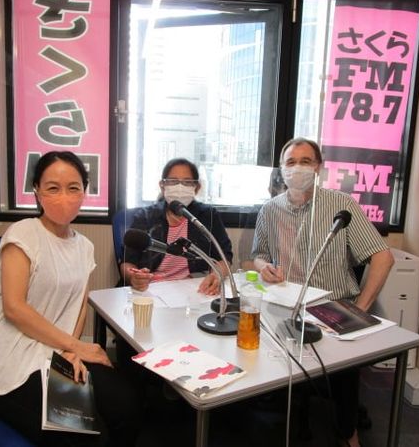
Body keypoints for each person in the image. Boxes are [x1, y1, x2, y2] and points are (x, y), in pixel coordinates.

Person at [0, 151, 141, 447]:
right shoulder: (23, 234)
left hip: (57, 347)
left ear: (84, 192)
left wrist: (71, 350)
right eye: (53, 188)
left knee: (126, 404)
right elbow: (14, 309)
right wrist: (76, 346)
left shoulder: (84, 246)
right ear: (37, 192)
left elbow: (78, 305)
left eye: (73, 188)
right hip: (9, 357)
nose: (64, 197)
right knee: (89, 436)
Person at [251, 137, 394, 447]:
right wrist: (264, 267)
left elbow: (383, 258)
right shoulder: (270, 210)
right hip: (286, 305)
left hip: (334, 306)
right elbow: (258, 255)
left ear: (318, 167)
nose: (298, 168)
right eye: (291, 162)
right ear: (281, 169)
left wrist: (360, 309)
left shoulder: (341, 205)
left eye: (306, 161)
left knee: (343, 373)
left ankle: (348, 433)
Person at [120, 157, 233, 296]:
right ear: (162, 186)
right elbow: (127, 262)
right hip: (152, 289)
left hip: (194, 289)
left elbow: (224, 256)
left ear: (196, 187)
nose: (180, 187)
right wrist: (134, 277)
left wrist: (216, 274)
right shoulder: (145, 217)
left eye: (187, 182)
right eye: (173, 181)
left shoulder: (207, 215)